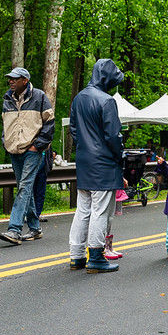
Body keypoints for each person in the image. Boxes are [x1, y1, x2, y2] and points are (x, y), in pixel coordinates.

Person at [68, 59, 125, 273]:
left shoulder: (79, 98)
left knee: (82, 209)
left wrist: (84, 146)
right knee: (100, 211)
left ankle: (76, 256)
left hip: (84, 160)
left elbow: (73, 129)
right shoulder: (107, 101)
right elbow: (112, 135)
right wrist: (119, 155)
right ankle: (97, 256)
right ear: (106, 78)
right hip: (104, 163)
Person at [0, 67, 55, 245]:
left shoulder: (39, 96)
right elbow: (5, 124)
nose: (11, 81)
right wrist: (6, 142)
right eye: (10, 79)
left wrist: (37, 146)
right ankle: (35, 227)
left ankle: (14, 229)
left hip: (32, 150)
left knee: (24, 187)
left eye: (15, 79)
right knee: (25, 188)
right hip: (14, 151)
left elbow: (50, 123)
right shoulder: (7, 98)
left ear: (25, 80)